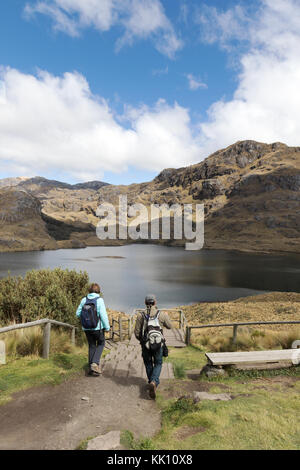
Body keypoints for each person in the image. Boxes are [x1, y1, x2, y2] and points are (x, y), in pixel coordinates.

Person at [134, 294, 173, 399]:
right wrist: (166, 317)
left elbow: (137, 332)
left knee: (148, 363)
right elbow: (170, 326)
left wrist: (142, 341)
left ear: (145, 303)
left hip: (145, 344)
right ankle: (154, 382)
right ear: (155, 303)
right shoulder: (161, 314)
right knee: (158, 362)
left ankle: (152, 381)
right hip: (158, 343)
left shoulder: (140, 315)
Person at [76, 283, 110, 376]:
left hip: (87, 328)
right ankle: (95, 363)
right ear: (98, 291)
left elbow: (77, 313)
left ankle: (91, 369)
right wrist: (107, 327)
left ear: (89, 291)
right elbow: (103, 315)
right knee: (101, 343)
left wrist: (86, 319)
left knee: (91, 346)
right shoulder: (99, 300)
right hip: (97, 328)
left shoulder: (84, 300)